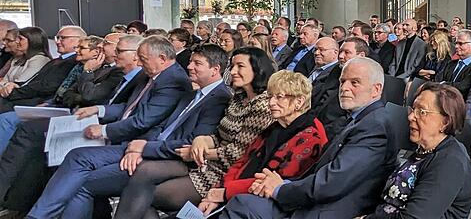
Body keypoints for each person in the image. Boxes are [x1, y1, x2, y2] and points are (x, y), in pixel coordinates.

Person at [30, 44, 232, 219]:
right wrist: (138, 148)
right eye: (191, 61)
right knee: (77, 160)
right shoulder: (192, 93)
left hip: (167, 159)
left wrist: (144, 148)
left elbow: (190, 142)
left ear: (215, 70)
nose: (189, 66)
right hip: (145, 147)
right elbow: (163, 126)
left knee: (82, 182)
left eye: (197, 63)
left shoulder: (218, 99)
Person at [218, 57, 399, 219]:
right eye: (342, 81)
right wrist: (281, 184)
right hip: (316, 197)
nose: (344, 88)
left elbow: (331, 182)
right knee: (243, 203)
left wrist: (280, 188)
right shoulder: (360, 119)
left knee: (242, 205)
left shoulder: (374, 126)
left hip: (329, 208)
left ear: (376, 90)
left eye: (355, 83)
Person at [110, 47, 276, 218]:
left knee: (144, 195)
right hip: (205, 162)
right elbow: (219, 136)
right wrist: (202, 141)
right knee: (143, 180)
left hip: (226, 172)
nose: (233, 71)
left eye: (240, 66)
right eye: (232, 66)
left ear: (257, 69)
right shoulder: (238, 98)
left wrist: (198, 152)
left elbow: (238, 153)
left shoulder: (262, 105)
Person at [0, 34, 139, 213]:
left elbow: (91, 97)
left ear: (135, 55)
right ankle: (17, 204)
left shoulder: (115, 72)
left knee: (32, 134)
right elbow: (67, 93)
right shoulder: (103, 67)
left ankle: (22, 206)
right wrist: (83, 92)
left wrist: (87, 75)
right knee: (37, 147)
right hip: (78, 113)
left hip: (95, 123)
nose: (103, 48)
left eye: (113, 46)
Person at [364, 83, 471, 218]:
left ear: (445, 122)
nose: (411, 117)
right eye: (413, 110)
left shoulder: (450, 162)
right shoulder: (425, 149)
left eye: (421, 112)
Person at [0, 25, 84, 113]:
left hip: (39, 101)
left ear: (79, 40)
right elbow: (34, 81)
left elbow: (47, 86)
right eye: (57, 38)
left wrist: (13, 92)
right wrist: (14, 86)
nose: (58, 42)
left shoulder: (72, 62)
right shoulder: (59, 60)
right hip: (26, 96)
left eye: (63, 38)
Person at [0, 26, 52, 95]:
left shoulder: (39, 60)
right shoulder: (17, 59)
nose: (17, 41)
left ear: (32, 41)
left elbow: (19, 85)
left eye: (20, 39)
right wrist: (6, 84)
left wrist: (6, 84)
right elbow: (4, 81)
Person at [438, 29, 471, 99]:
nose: (456, 46)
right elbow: (438, 79)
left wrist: (444, 84)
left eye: (461, 43)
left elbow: (463, 87)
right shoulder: (450, 63)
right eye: (456, 43)